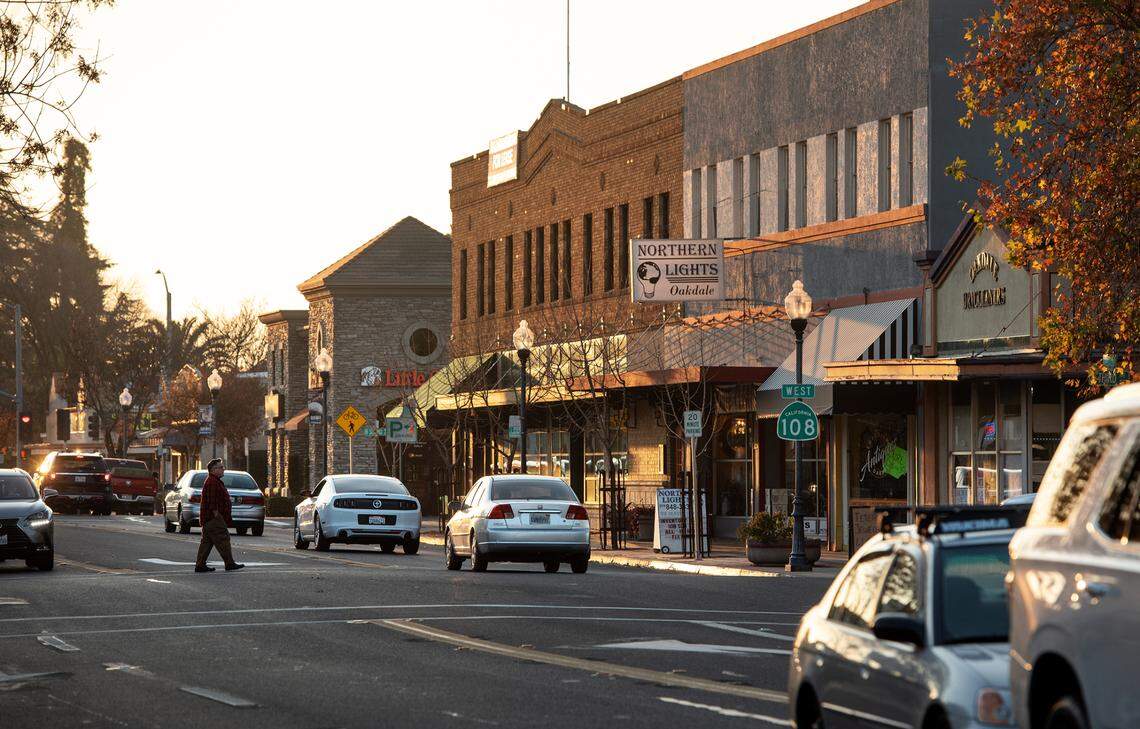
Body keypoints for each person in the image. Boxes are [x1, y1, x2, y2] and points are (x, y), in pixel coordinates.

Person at [194, 459, 244, 573]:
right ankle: (229, 563)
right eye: (220, 467)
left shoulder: (214, 481)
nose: (223, 469)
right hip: (213, 518)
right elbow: (212, 500)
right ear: (213, 470)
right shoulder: (212, 482)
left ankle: (200, 564)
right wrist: (216, 514)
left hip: (209, 518)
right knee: (223, 538)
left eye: (222, 467)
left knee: (207, 542)